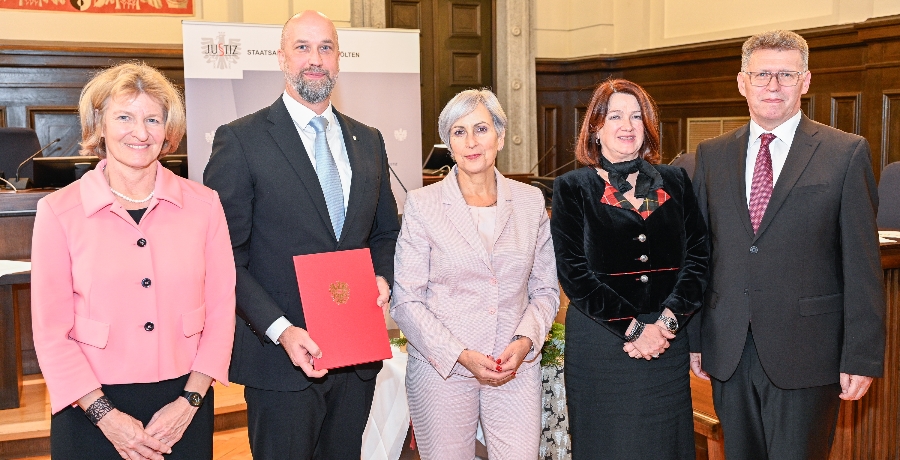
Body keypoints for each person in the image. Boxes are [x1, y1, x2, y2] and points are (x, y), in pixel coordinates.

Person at [203, 10, 400, 459]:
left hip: (355, 357)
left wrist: (383, 278)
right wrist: (281, 330)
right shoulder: (241, 140)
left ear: (338, 59)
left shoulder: (368, 140)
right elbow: (223, 256)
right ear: (281, 58)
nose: (316, 59)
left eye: (326, 48)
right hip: (280, 360)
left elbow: (386, 231)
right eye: (303, 47)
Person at [687, 29, 885, 460]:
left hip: (809, 351)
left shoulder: (845, 153)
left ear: (806, 80)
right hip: (730, 349)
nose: (773, 85)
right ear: (742, 82)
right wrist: (696, 337)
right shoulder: (712, 154)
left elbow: (862, 265)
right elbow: (702, 255)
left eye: (786, 74)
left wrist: (862, 356)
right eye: (761, 75)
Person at [31, 62, 236, 460]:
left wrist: (190, 400)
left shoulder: (205, 205)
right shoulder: (58, 211)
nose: (140, 132)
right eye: (124, 116)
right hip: (88, 404)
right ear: (99, 125)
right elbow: (50, 331)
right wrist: (106, 416)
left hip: (183, 402)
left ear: (167, 130)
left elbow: (222, 310)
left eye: (153, 119)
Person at [391, 89, 559, 459]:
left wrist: (525, 340)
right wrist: (460, 354)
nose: (471, 142)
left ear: (499, 135)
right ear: (448, 144)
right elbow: (406, 300)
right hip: (443, 370)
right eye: (458, 131)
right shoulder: (422, 205)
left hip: (513, 367)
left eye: (481, 129)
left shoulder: (531, 202)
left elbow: (545, 289)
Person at [550, 79, 709, 459]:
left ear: (648, 126)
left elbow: (699, 258)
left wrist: (668, 324)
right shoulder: (573, 187)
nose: (627, 125)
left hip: (667, 342)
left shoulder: (674, 181)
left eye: (637, 116)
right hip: (603, 342)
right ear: (596, 128)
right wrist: (635, 330)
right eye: (615, 116)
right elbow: (574, 274)